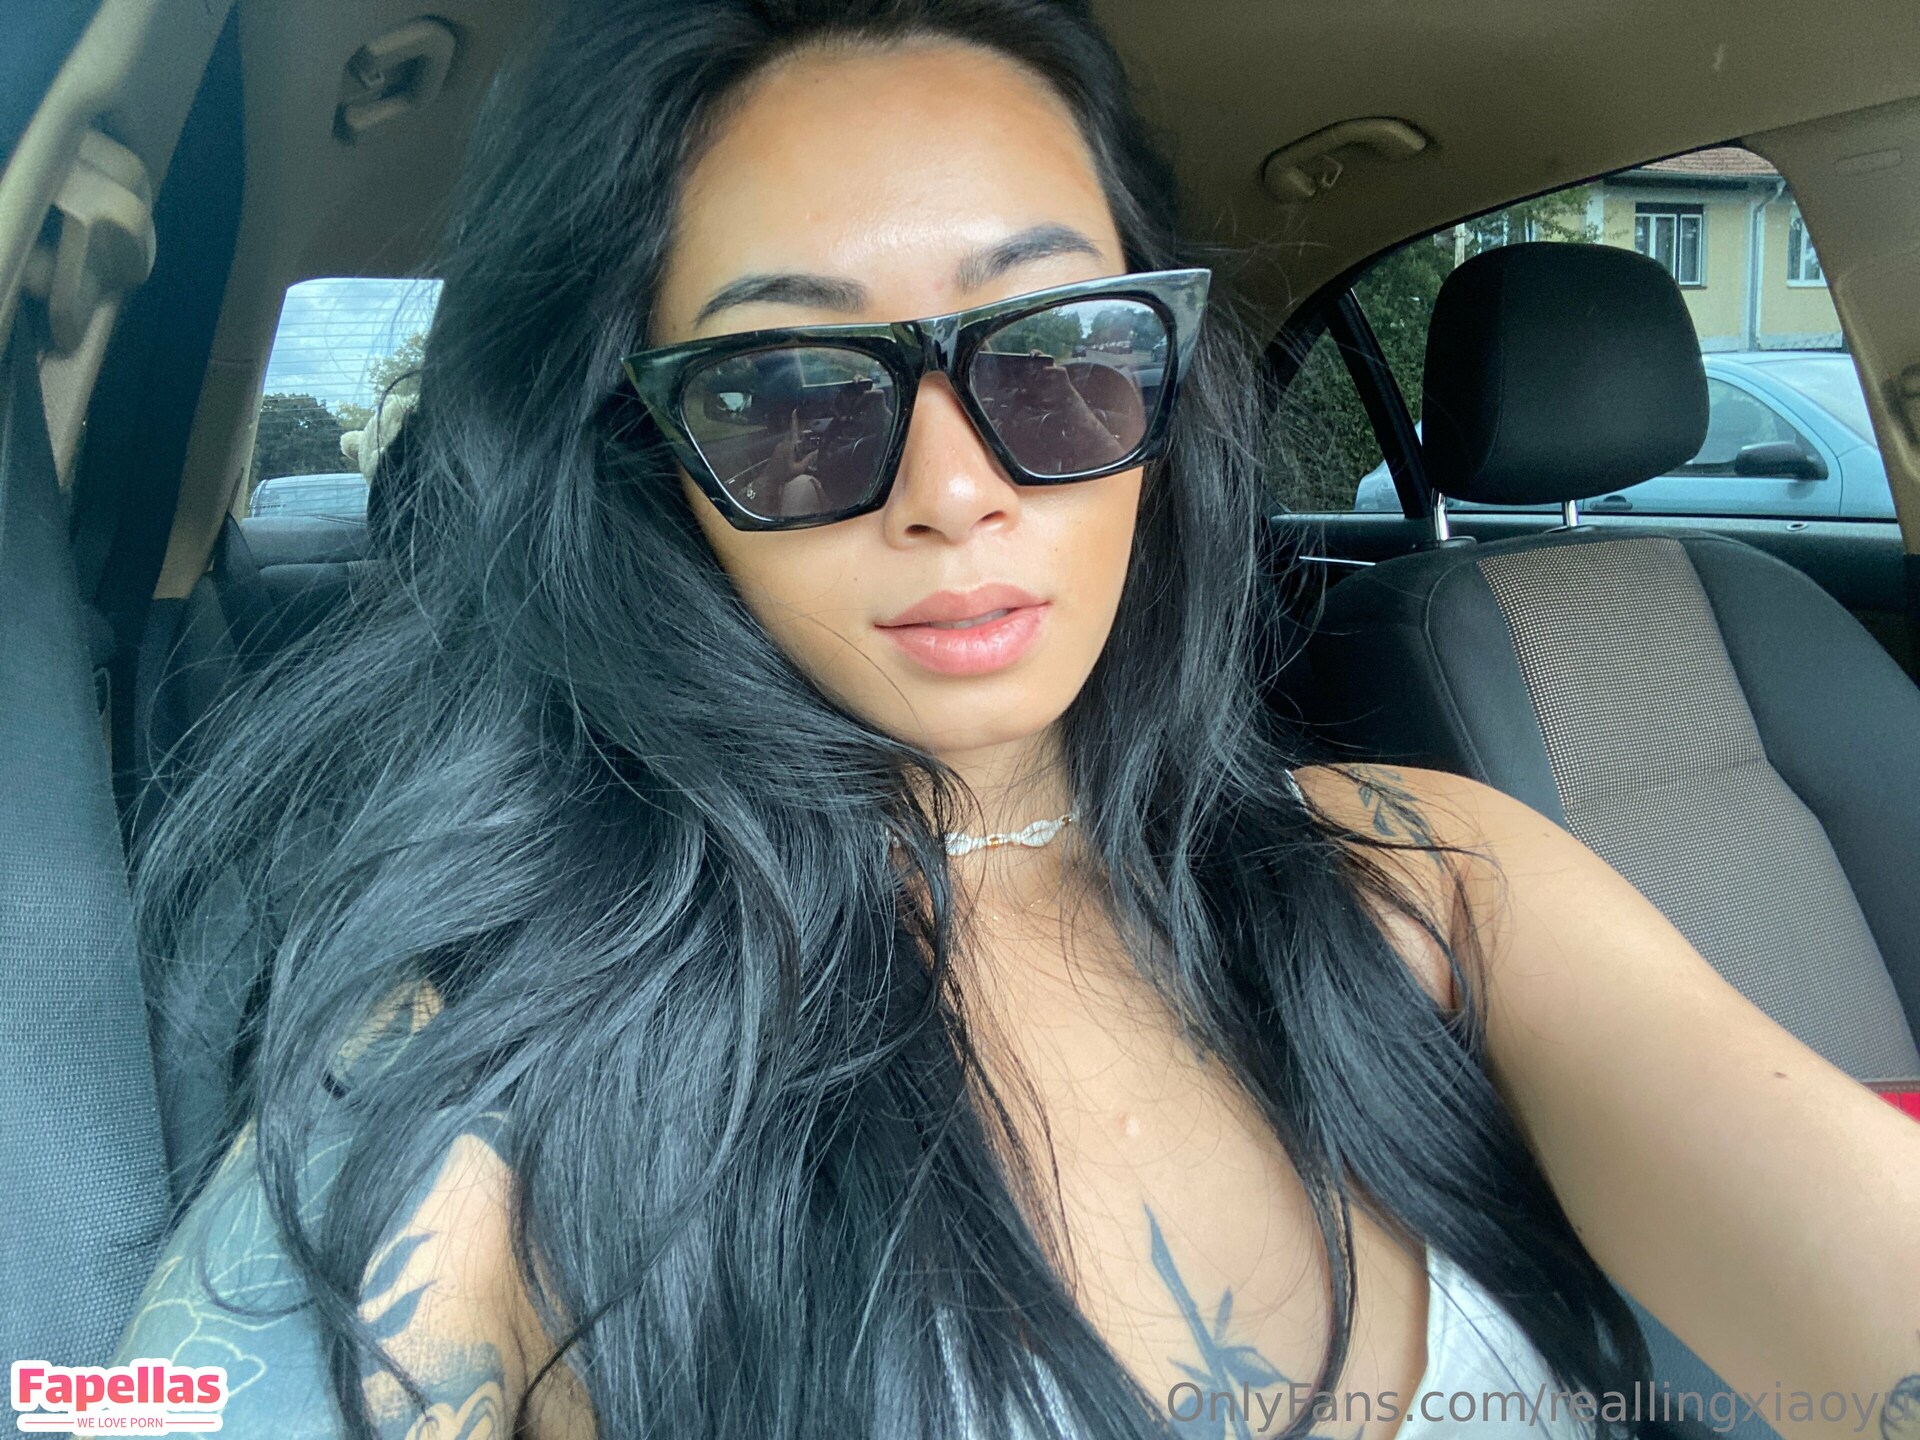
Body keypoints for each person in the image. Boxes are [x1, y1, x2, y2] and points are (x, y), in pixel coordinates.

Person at [117, 1, 1920, 1438]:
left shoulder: (1437, 878)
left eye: (1057, 348)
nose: (956, 489)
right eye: (789, 390)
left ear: (1162, 375)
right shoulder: (497, 1066)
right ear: (649, 460)